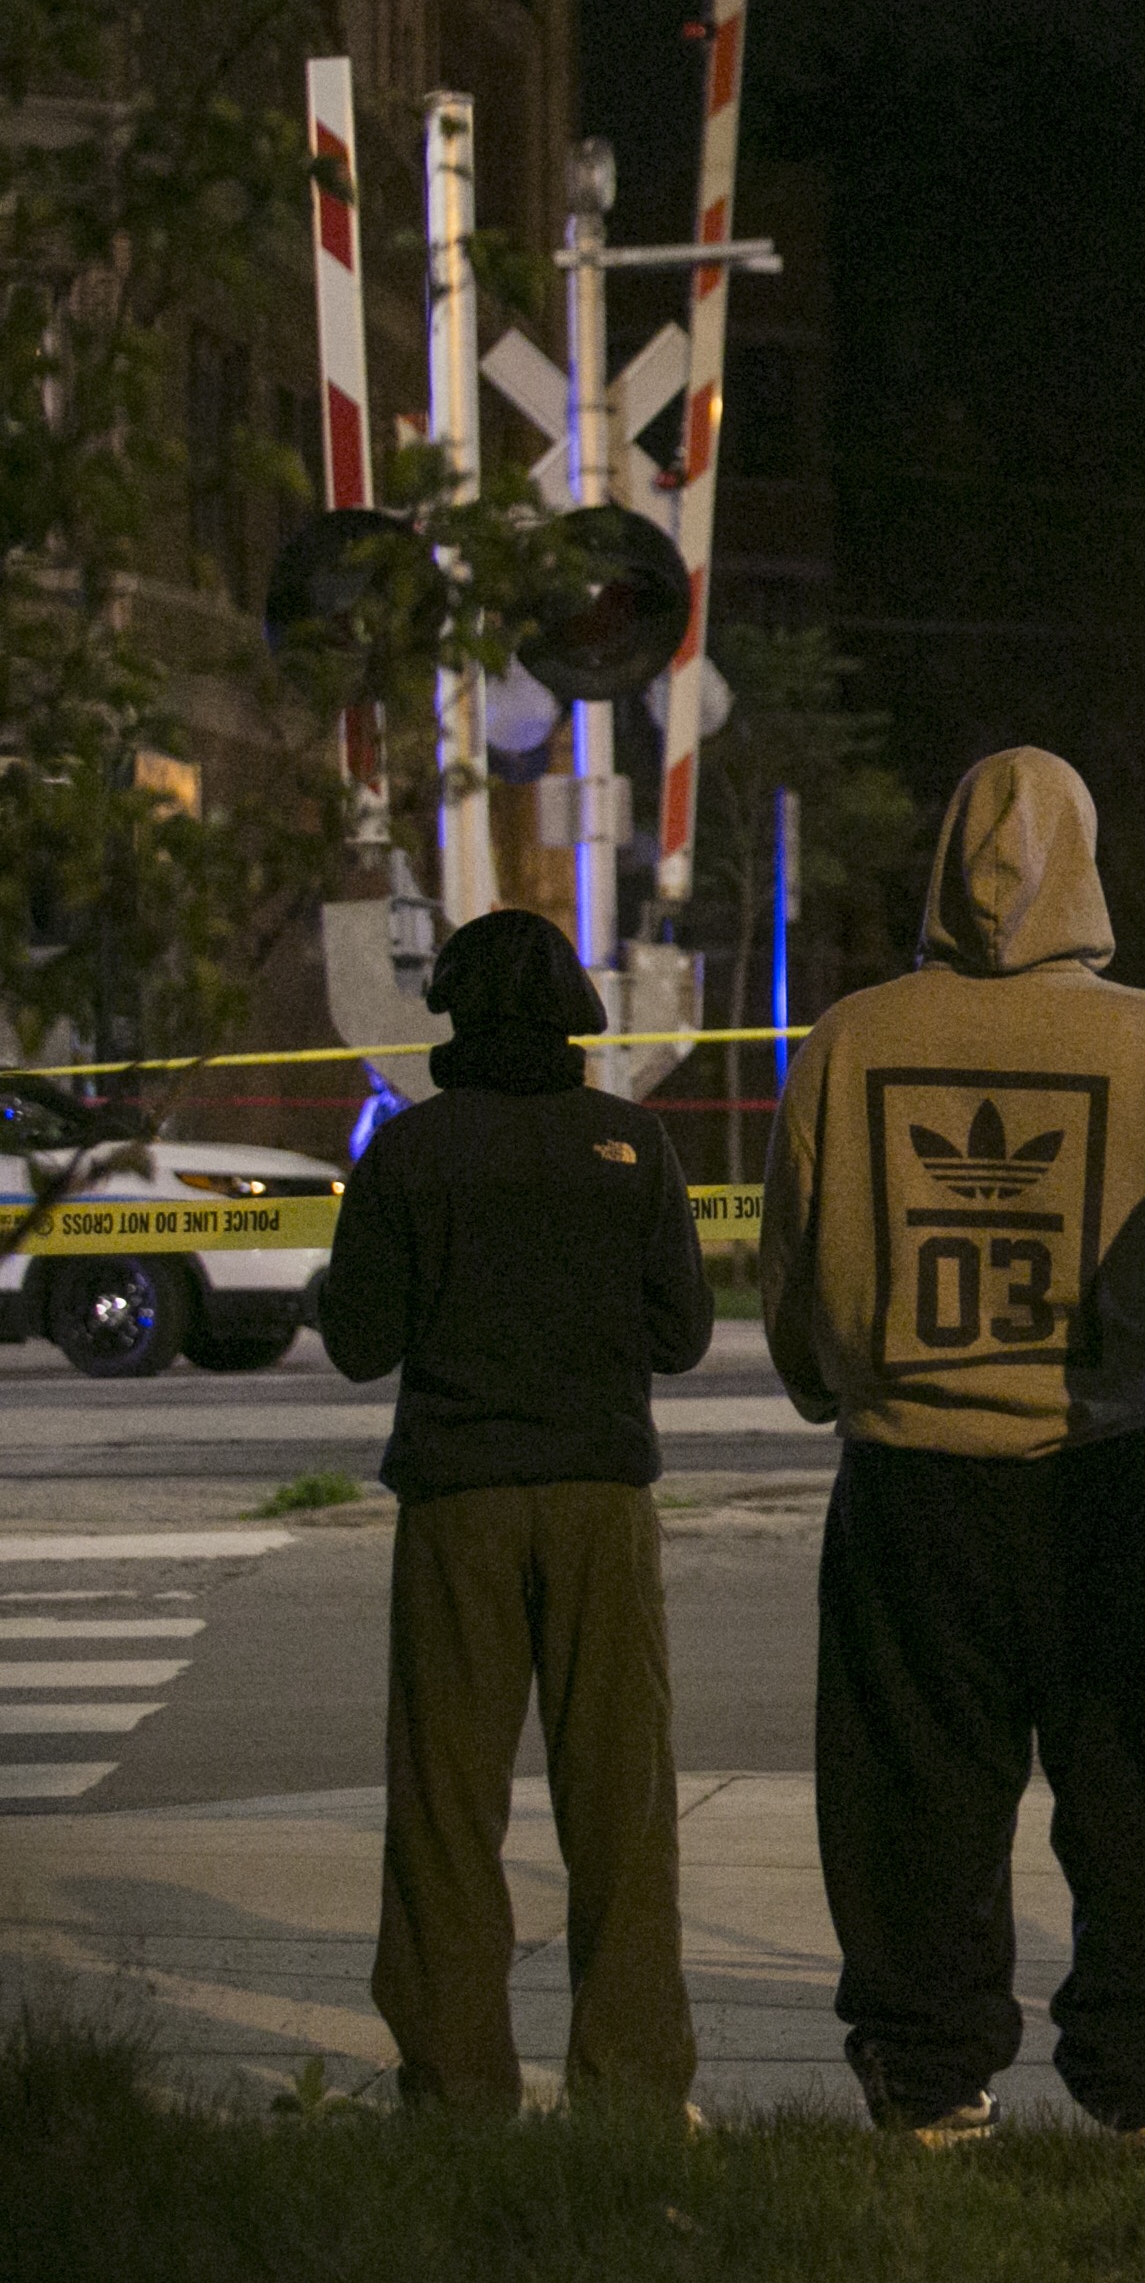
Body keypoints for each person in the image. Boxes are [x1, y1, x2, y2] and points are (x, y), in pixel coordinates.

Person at [758, 747, 1145, 2150]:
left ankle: (927, 2072)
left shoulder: (852, 1038)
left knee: (913, 1791)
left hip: (913, 1470)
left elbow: (791, 1262)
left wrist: (828, 1381)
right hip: (1125, 1470)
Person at [316, 908, 709, 2120]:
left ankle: (456, 2089)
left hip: (457, 1504)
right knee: (622, 1806)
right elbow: (687, 1336)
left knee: (445, 1806)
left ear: (454, 1014)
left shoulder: (411, 1153)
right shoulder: (632, 1143)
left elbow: (357, 1342)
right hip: (600, 1498)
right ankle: (632, 2088)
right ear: (576, 1021)